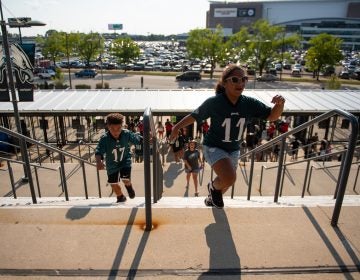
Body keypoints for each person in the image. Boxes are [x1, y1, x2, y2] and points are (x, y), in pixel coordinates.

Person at [170, 64, 285, 209]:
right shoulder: (214, 102)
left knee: (227, 183)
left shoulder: (249, 103)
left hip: (233, 149)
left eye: (244, 79)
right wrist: (176, 127)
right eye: (235, 80)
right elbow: (194, 116)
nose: (241, 83)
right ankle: (212, 188)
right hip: (213, 146)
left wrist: (280, 104)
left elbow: (272, 116)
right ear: (225, 83)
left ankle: (211, 197)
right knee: (229, 177)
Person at [95, 113, 142, 203]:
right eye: (113, 129)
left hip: (125, 161)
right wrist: (98, 161)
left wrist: (145, 137)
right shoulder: (105, 139)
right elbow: (98, 151)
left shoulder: (126, 134)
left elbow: (136, 139)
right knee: (113, 183)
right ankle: (120, 196)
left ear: (122, 126)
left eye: (119, 128)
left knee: (125, 179)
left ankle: (129, 187)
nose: (116, 132)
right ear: (108, 127)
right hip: (111, 164)